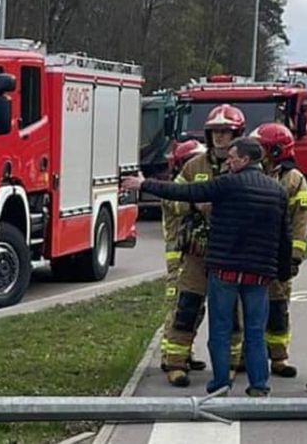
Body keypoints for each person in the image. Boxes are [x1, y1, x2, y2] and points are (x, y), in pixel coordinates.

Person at [124, 137, 289, 396]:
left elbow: (186, 192)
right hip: (259, 273)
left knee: (220, 329)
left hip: (225, 269)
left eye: (233, 157)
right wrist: (283, 271)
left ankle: (220, 384)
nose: (228, 161)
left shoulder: (226, 184)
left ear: (245, 160)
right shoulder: (277, 190)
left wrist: (145, 184)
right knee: (255, 331)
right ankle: (259, 385)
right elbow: (284, 235)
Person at [154, 104, 247, 388]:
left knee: (231, 313)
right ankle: (176, 364)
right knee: (187, 307)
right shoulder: (194, 166)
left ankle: (231, 364)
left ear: (237, 134)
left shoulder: (245, 168)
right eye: (215, 132)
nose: (220, 137)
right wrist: (194, 204)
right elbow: (170, 198)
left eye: (226, 132)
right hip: (196, 253)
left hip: (232, 254)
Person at [250, 122, 307, 377]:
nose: (257, 154)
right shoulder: (251, 172)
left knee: (277, 308)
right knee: (248, 307)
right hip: (252, 253)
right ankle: (247, 355)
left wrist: (295, 256)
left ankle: (278, 357)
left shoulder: (294, 180)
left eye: (261, 149)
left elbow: (302, 219)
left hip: (279, 256)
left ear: (276, 150)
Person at [160, 139, 208, 372]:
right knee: (179, 308)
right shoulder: (174, 192)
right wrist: (198, 202)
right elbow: (178, 205)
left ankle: (185, 352)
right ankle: (169, 355)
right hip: (178, 259)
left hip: (192, 256)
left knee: (195, 309)